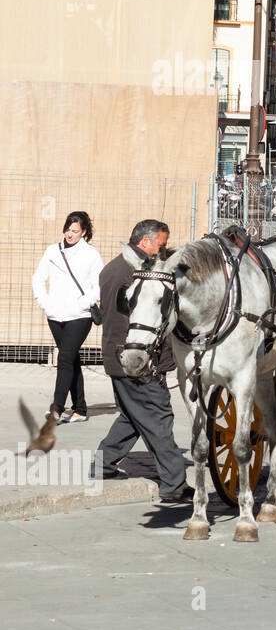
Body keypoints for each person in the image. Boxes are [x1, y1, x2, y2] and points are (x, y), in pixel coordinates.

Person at [96, 219, 191, 501]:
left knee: (132, 415)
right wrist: (150, 361)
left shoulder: (116, 267)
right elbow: (133, 322)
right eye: (161, 245)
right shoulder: (137, 272)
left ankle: (102, 463)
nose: (163, 252)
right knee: (158, 416)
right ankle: (174, 485)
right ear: (145, 242)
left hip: (121, 356)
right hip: (135, 360)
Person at [32, 211, 103, 423]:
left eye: (75, 231)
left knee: (64, 358)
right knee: (71, 359)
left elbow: (98, 285)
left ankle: (56, 408)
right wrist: (45, 303)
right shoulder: (52, 251)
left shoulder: (91, 254)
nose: (70, 234)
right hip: (55, 315)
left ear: (84, 232)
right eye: (68, 229)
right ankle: (80, 409)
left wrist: (83, 304)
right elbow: (38, 278)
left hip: (79, 316)